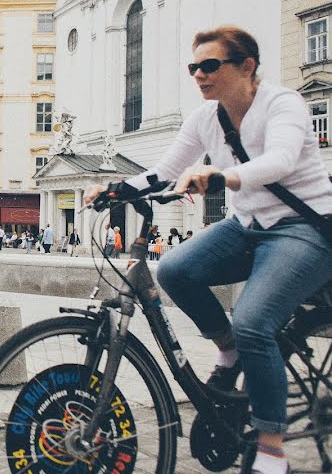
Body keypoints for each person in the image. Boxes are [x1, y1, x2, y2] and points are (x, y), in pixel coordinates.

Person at [85, 26, 332, 474]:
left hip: (304, 228)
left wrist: (219, 175)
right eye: (193, 67)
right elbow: (163, 172)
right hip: (248, 225)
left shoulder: (283, 104)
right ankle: (228, 347)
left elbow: (280, 160)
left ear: (246, 67)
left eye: (210, 66)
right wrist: (117, 188)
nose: (199, 74)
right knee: (176, 270)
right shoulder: (205, 117)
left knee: (256, 320)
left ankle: (272, 447)